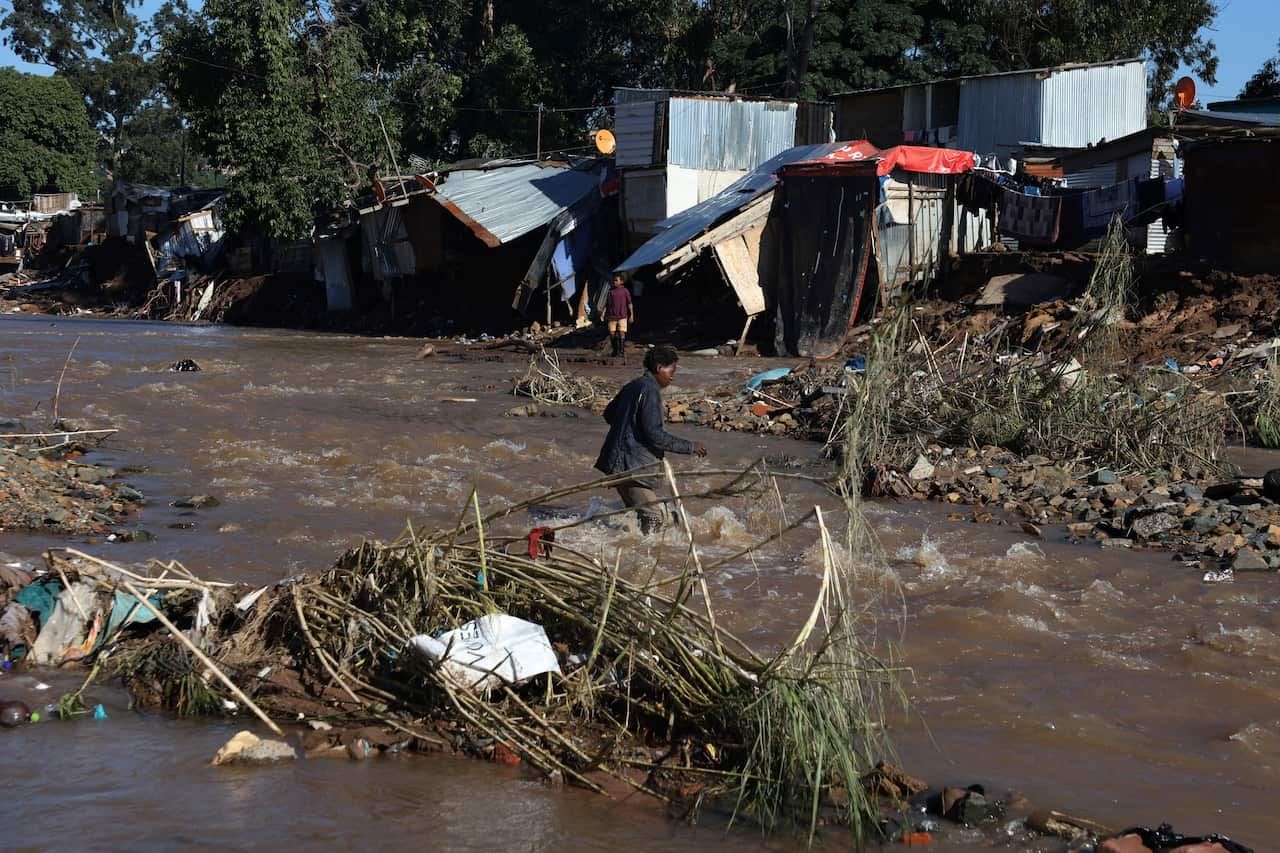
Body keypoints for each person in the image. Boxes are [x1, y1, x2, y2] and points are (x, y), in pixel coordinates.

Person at [595, 345, 707, 534]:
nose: (673, 376)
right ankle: (650, 555)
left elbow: (609, 414)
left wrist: (628, 427)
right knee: (653, 517)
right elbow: (654, 434)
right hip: (632, 468)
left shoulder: (633, 385)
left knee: (640, 515)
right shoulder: (650, 391)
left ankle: (632, 548)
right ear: (658, 368)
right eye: (671, 371)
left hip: (617, 464)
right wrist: (690, 446)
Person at [605, 275, 634, 358]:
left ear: (621, 282)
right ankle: (615, 350)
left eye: (616, 280)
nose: (614, 282)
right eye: (614, 280)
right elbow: (608, 304)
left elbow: (629, 303)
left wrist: (631, 315)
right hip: (612, 316)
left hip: (622, 315)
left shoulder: (625, 291)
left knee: (622, 333)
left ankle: (621, 351)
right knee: (612, 334)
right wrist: (604, 314)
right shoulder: (611, 291)